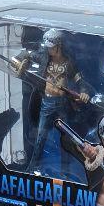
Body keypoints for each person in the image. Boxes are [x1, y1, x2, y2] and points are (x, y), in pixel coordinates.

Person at [15, 29, 89, 174]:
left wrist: (84, 92)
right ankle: (32, 168)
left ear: (59, 45)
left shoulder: (68, 63)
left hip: (62, 104)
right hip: (47, 103)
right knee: (40, 138)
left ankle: (65, 172)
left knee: (66, 140)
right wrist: (19, 62)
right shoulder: (43, 58)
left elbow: (80, 81)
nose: (48, 49)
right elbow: (26, 54)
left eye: (51, 46)